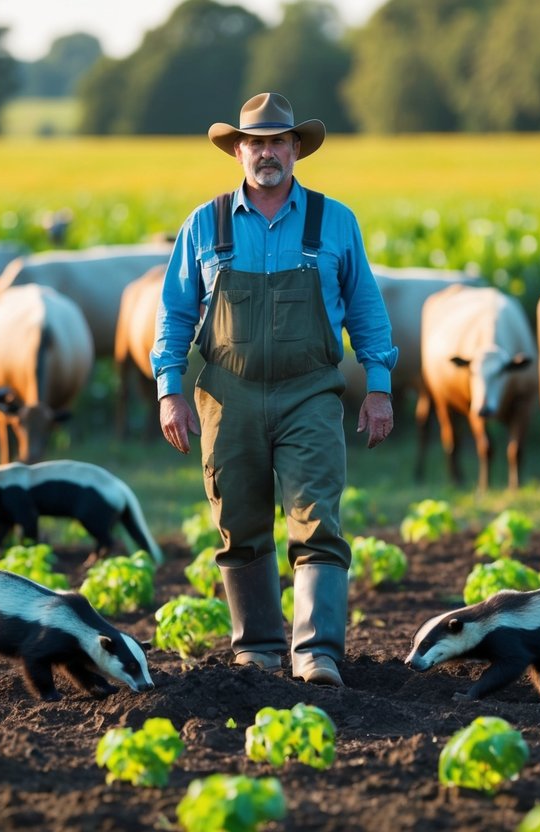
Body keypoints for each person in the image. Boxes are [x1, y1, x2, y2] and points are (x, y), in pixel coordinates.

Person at [150, 92, 398, 687]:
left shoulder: (334, 220)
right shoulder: (203, 223)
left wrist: (379, 385)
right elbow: (174, 315)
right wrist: (169, 388)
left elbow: (366, 309)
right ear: (238, 151)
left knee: (318, 520)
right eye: (255, 143)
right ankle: (258, 650)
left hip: (309, 394)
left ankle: (317, 652)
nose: (267, 154)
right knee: (239, 521)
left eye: (278, 143)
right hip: (226, 397)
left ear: (295, 150)